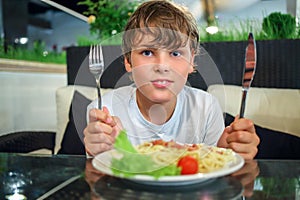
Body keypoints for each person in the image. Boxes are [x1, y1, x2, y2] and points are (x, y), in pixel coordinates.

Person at [84, 0, 260, 160]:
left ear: (191, 62)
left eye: (175, 53)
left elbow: (213, 173)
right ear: (128, 61)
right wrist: (105, 153)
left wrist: (227, 153)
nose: (162, 66)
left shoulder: (206, 107)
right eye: (147, 52)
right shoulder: (104, 110)